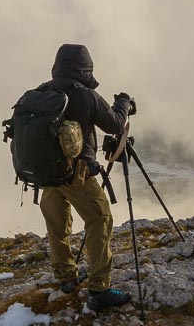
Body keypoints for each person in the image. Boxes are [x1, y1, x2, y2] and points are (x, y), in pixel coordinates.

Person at [36, 43, 135, 311]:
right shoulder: (85, 95)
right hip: (77, 175)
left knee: (57, 226)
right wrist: (123, 103)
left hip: (47, 174)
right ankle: (99, 289)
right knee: (100, 218)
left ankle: (66, 278)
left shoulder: (42, 91)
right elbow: (114, 123)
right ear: (85, 67)